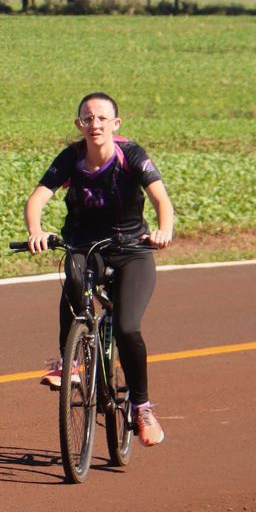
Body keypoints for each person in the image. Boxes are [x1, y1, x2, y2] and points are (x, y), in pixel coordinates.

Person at [23, 91, 176, 446]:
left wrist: (163, 229)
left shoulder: (131, 155)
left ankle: (141, 406)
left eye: (102, 119)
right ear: (79, 124)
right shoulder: (71, 158)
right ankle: (69, 363)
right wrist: (36, 231)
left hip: (131, 249)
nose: (95, 125)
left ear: (115, 124)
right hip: (84, 246)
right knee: (73, 279)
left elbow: (159, 198)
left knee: (126, 326)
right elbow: (38, 198)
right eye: (88, 119)